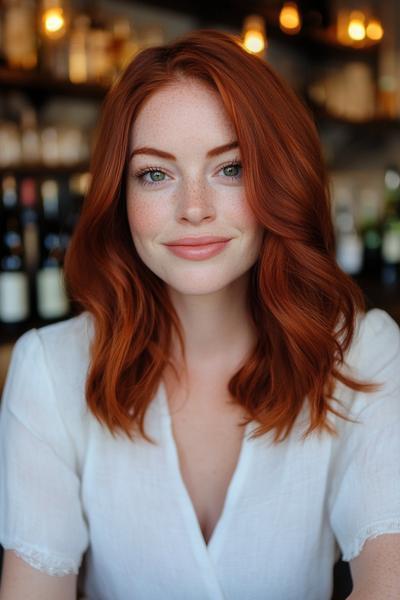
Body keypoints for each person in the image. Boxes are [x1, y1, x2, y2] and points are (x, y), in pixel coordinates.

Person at [0, 28, 399, 600]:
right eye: (155, 174)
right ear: (120, 194)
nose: (193, 209)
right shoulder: (49, 370)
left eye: (230, 168)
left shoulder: (361, 354)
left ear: (279, 179)